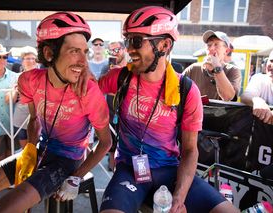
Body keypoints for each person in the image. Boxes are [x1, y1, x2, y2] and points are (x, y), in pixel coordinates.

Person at [79, 6, 239, 213]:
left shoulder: (186, 89)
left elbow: (190, 151)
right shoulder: (121, 77)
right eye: (128, 41)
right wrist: (82, 73)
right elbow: (86, 88)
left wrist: (179, 198)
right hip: (129, 170)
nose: (129, 49)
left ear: (164, 45)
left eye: (137, 42)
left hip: (171, 171)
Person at [0, 11, 111, 213]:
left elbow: (106, 141)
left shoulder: (88, 90)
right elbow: (34, 119)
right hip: (41, 149)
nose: (84, 62)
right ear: (49, 54)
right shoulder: (28, 80)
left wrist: (76, 177)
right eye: (75, 51)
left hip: (68, 159)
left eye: (85, 52)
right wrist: (30, 149)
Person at [182, 30, 241, 101]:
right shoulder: (193, 69)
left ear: (226, 51)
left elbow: (228, 97)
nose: (211, 48)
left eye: (216, 45)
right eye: (209, 45)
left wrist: (216, 68)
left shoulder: (232, 70)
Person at [101, 40, 128, 171]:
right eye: (110, 51)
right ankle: (113, 173)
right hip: (111, 112)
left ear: (124, 49)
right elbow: (101, 89)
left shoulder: (131, 67)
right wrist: (111, 76)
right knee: (111, 147)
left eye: (116, 50)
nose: (113, 54)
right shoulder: (107, 68)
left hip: (127, 112)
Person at [13, 46, 39, 148]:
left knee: (37, 150)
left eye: (33, 58)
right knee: (25, 151)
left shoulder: (42, 76)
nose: (31, 61)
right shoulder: (16, 77)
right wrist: (15, 90)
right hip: (21, 118)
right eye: (28, 58)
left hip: (38, 118)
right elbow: (12, 98)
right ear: (22, 61)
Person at [240, 50, 273, 125]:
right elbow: (245, 96)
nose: (272, 65)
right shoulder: (259, 78)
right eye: (271, 61)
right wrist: (257, 100)